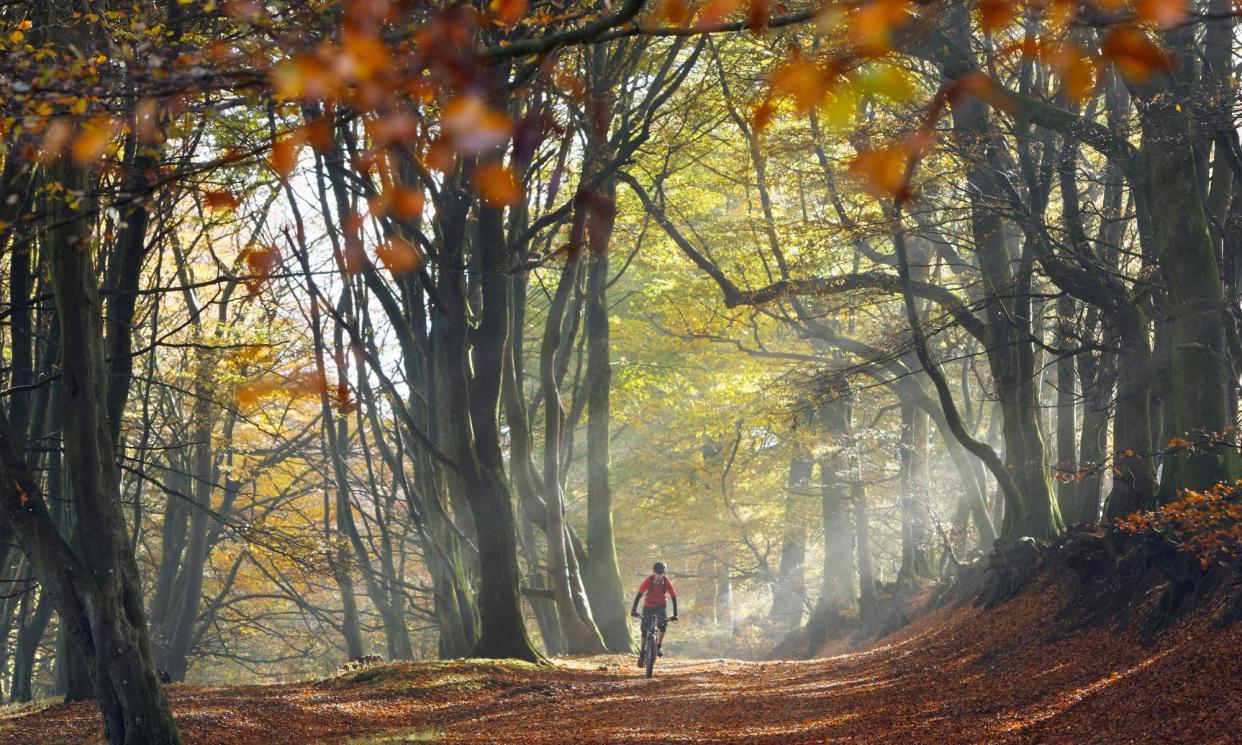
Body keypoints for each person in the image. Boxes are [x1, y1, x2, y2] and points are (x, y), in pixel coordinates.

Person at [630, 561, 678, 663]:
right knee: (644, 629)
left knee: (663, 624)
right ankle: (642, 652)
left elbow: (673, 597)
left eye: (661, 573)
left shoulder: (666, 582)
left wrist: (675, 614)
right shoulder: (648, 581)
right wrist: (634, 610)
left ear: (664, 573)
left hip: (661, 606)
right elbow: (639, 595)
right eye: (657, 573)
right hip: (648, 606)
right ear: (654, 572)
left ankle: (659, 646)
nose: (659, 575)